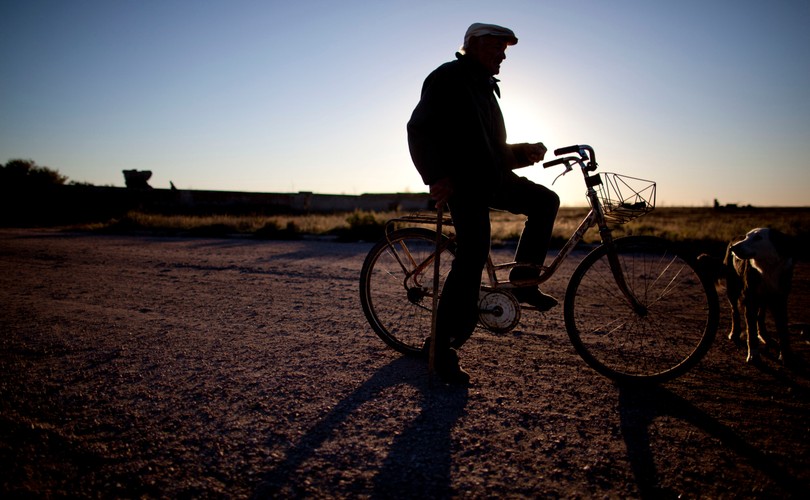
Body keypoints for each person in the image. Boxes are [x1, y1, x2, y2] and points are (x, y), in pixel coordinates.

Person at [407, 23, 560, 384]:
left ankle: (524, 281)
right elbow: (418, 128)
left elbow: (490, 151)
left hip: (492, 179)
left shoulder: (486, 88)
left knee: (545, 200)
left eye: (505, 49)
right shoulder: (448, 77)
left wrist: (525, 152)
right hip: (463, 184)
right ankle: (440, 348)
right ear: (474, 45)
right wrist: (436, 175)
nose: (503, 55)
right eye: (497, 46)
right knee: (473, 254)